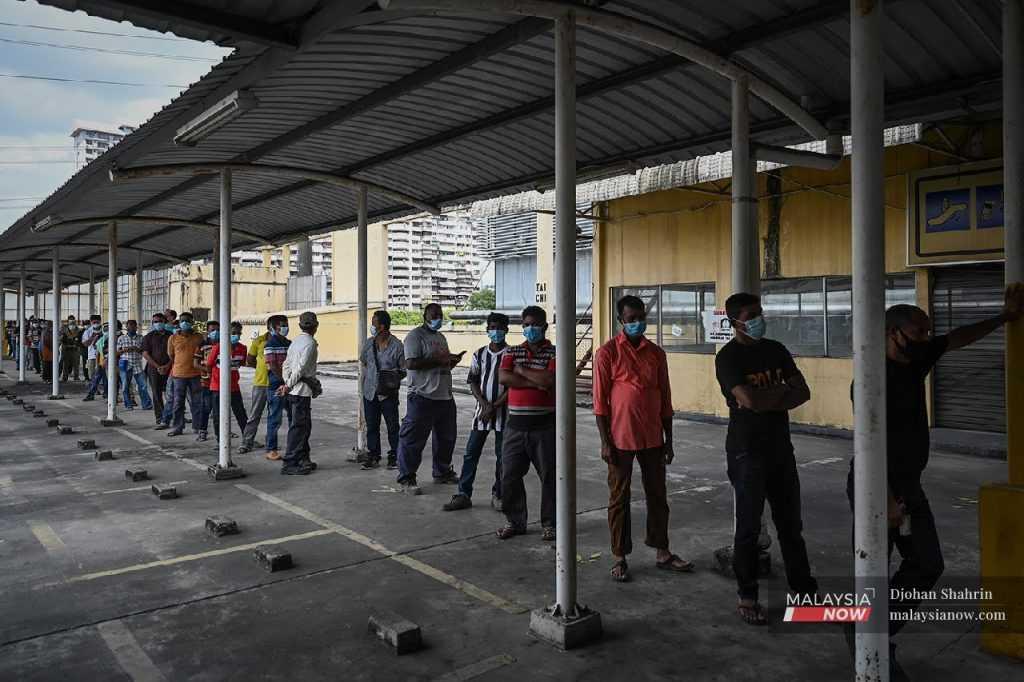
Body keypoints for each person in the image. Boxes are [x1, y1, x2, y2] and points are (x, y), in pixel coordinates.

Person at [844, 283, 1023, 677]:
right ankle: (868, 644)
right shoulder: (872, 379)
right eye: (919, 332)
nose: (926, 338)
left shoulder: (916, 356)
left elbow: (956, 338)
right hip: (878, 486)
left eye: (926, 332)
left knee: (927, 563)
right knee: (871, 569)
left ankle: (867, 630)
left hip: (909, 485)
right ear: (893, 334)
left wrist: (1005, 316)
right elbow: (870, 443)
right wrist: (886, 497)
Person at [714, 292, 817, 626]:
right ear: (735, 321)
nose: (760, 319)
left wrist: (761, 399)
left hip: (780, 449)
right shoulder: (728, 358)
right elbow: (747, 399)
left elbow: (803, 392)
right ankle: (748, 594)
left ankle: (804, 591)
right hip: (746, 451)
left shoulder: (776, 350)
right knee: (748, 526)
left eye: (760, 313)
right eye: (752, 314)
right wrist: (777, 396)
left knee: (791, 526)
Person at [593, 295, 694, 581]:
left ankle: (662, 551)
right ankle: (619, 556)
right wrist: (605, 442)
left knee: (658, 496)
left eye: (641, 317)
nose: (638, 323)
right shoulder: (607, 353)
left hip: (653, 438)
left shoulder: (656, 353)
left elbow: (665, 399)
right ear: (620, 321)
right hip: (619, 439)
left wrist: (669, 440)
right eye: (631, 319)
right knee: (618, 498)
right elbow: (600, 405)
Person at [495, 305, 557, 541]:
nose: (530, 328)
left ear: (544, 326)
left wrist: (521, 371)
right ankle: (515, 521)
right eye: (526, 324)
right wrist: (536, 382)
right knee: (509, 475)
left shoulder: (554, 353)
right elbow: (504, 377)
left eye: (534, 324)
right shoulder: (511, 351)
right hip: (515, 427)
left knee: (550, 477)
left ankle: (550, 524)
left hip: (545, 426)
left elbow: (550, 379)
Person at [444, 312, 509, 512]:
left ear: (506, 330)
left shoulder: (512, 354)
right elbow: (473, 381)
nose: (495, 331)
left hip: (504, 414)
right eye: (492, 327)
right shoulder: (479, 354)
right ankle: (464, 493)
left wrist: (494, 406)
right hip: (481, 414)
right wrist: (484, 404)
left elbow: (513, 387)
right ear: (487, 329)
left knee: (502, 456)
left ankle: (499, 493)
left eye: (499, 328)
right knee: (471, 453)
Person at [395, 303, 463, 495]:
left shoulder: (440, 337)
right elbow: (411, 363)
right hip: (422, 396)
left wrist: (451, 362)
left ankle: (442, 471)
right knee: (413, 439)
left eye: (440, 315)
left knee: (446, 438)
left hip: (444, 396)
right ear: (424, 315)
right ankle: (406, 478)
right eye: (434, 315)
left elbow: (441, 366)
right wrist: (438, 361)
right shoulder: (415, 337)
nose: (438, 318)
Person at [358, 310, 406, 470]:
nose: (372, 326)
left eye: (374, 323)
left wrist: (391, 379)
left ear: (382, 326)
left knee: (392, 426)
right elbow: (364, 362)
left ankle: (394, 455)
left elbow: (404, 369)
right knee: (372, 426)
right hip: (370, 392)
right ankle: (374, 455)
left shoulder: (397, 346)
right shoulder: (368, 344)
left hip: (388, 394)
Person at [276, 311, 321, 475]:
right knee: (299, 427)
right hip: (301, 391)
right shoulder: (310, 344)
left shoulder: (296, 342)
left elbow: (286, 365)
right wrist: (288, 385)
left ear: (300, 325)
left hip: (294, 390)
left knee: (302, 426)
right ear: (316, 326)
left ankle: (303, 458)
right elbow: (301, 369)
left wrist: (286, 383)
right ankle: (290, 462)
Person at [239, 316, 277, 454]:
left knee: (274, 416)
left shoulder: (285, 342)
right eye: (278, 326)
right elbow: (250, 360)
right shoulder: (259, 341)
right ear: (270, 327)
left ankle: (271, 444)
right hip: (261, 383)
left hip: (277, 384)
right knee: (255, 415)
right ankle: (247, 442)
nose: (282, 328)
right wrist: (262, 369)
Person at [207, 321, 249, 441]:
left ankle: (247, 438)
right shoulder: (218, 347)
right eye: (233, 333)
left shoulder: (242, 348)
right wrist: (214, 377)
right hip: (217, 387)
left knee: (240, 413)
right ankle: (220, 441)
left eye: (238, 333)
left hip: (234, 386)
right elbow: (209, 365)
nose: (237, 335)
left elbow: (241, 364)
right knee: (218, 415)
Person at [167, 312, 204, 437]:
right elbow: (171, 355)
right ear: (179, 322)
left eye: (188, 320)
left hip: (195, 375)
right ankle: (178, 427)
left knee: (197, 402)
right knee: (178, 403)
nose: (185, 323)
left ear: (192, 322)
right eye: (183, 320)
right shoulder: (173, 338)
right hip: (178, 375)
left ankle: (197, 426)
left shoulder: (199, 337)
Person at [263, 315, 292, 461]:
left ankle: (293, 447)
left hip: (289, 383)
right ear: (274, 328)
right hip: (276, 384)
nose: (286, 327)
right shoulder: (270, 344)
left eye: (286, 324)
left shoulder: (289, 343)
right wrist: (285, 380)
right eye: (282, 325)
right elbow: (272, 366)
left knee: (293, 416)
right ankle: (271, 449)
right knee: (275, 418)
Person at [143, 313, 173, 428]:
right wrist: (158, 367)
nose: (157, 323)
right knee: (156, 393)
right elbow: (145, 353)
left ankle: (171, 415)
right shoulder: (149, 337)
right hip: (153, 370)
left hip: (170, 368)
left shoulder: (171, 336)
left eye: (160, 321)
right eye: (155, 321)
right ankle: (160, 417)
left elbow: (175, 353)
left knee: (171, 394)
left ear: (164, 322)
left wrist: (167, 366)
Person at [116, 320, 152, 411]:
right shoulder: (121, 338)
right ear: (126, 327)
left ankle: (146, 404)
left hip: (137, 364)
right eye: (129, 326)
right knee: (125, 386)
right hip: (125, 364)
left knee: (143, 385)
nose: (131, 328)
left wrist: (136, 349)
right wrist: (124, 350)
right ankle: (128, 405)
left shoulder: (141, 338)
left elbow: (144, 351)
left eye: (133, 326)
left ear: (136, 327)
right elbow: (117, 352)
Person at [192, 321, 219, 441]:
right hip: (207, 381)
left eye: (217, 329)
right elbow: (196, 364)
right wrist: (209, 371)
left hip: (220, 383)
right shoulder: (202, 346)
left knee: (220, 409)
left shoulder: (224, 344)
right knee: (206, 407)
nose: (215, 332)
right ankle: (202, 431)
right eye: (212, 330)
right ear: (207, 331)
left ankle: (222, 431)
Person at [82, 315, 103, 396]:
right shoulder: (88, 331)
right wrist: (92, 337)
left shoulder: (104, 329)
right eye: (94, 322)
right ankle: (95, 390)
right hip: (91, 356)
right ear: (91, 322)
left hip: (102, 356)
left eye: (97, 322)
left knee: (102, 374)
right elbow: (85, 344)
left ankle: (105, 391)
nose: (96, 324)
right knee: (92, 374)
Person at [60, 316, 82, 382]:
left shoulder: (78, 331)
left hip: (75, 350)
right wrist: (66, 345)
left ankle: (76, 377)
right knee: (65, 364)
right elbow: (62, 340)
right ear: (68, 323)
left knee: (76, 364)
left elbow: (80, 340)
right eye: (70, 323)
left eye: (73, 322)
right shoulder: (64, 331)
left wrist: (77, 345)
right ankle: (64, 377)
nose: (72, 325)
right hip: (67, 350)